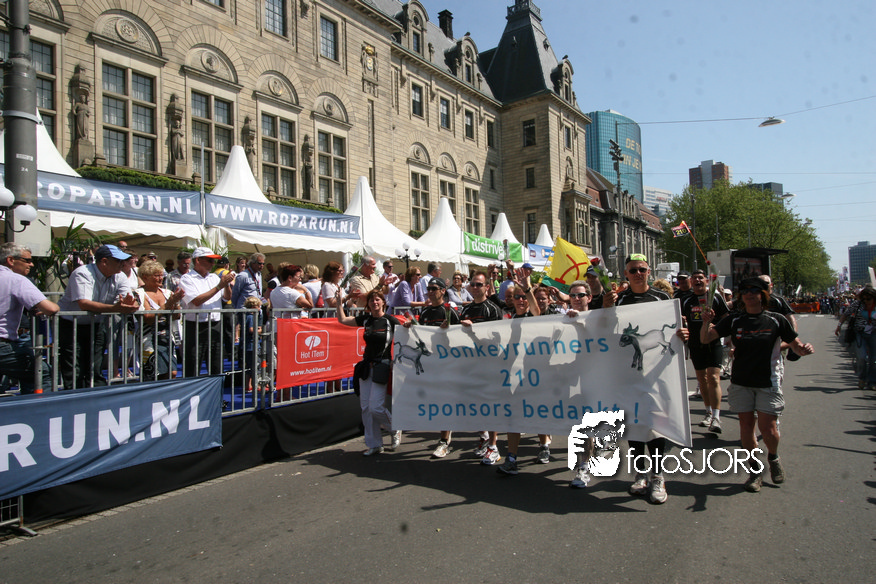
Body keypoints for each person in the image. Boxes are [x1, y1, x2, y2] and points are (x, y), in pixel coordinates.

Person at [701, 277, 814, 492]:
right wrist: (706, 321)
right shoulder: (734, 320)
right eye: (745, 291)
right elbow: (706, 338)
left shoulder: (776, 320)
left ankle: (773, 457)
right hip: (741, 382)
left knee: (768, 429)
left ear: (763, 294)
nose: (749, 294)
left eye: (754, 290)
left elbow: (795, 345)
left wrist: (804, 349)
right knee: (746, 427)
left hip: (767, 382)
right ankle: (755, 470)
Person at [603, 253, 672, 504]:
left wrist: (682, 333)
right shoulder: (619, 299)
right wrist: (605, 307)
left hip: (655, 373)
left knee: (654, 424)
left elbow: (672, 328)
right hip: (627, 372)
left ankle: (658, 476)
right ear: (626, 274)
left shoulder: (662, 298)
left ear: (649, 272)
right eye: (633, 270)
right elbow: (605, 329)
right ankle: (640, 473)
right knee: (633, 423)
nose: (638, 274)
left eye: (642, 269)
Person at [57, 244, 139, 389]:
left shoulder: (120, 276)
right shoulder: (82, 273)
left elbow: (128, 299)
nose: (122, 264)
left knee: (96, 364)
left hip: (96, 323)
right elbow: (84, 304)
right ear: (104, 261)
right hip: (71, 325)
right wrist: (115, 308)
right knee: (74, 366)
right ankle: (74, 395)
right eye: (118, 260)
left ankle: (95, 394)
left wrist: (131, 304)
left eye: (123, 260)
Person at [498, 276, 552, 476]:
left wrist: (528, 288)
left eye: (524, 297)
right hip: (514, 376)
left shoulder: (534, 316)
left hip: (535, 374)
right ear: (511, 300)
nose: (521, 300)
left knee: (538, 413)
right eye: (517, 297)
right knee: (513, 417)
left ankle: (544, 445)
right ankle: (511, 458)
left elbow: (536, 310)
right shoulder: (507, 319)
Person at [336, 288, 401, 455]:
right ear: (368, 304)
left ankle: (395, 428)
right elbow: (342, 319)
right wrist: (338, 302)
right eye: (372, 300)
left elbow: (406, 337)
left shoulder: (390, 321)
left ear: (383, 302)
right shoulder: (366, 319)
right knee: (365, 408)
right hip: (366, 366)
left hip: (382, 365)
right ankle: (374, 444)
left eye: (377, 299)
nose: (374, 302)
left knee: (376, 407)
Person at [405, 277, 460, 458]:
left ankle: (444, 441)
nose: (429, 292)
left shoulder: (450, 311)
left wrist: (447, 331)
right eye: (428, 289)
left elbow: (461, 337)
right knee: (435, 401)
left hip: (447, 364)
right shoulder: (426, 311)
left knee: (445, 401)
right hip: (429, 363)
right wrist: (410, 326)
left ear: (443, 291)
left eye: (433, 288)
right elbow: (421, 336)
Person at [676, 269, 730, 433]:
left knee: (713, 377)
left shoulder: (715, 297)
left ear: (706, 280)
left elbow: (727, 318)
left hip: (713, 342)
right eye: (695, 278)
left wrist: (717, 327)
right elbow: (679, 320)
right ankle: (708, 412)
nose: (698, 280)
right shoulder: (687, 300)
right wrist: (682, 327)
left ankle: (716, 417)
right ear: (691, 282)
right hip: (695, 343)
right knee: (702, 379)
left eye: (700, 278)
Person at [0, 243, 59, 393]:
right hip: (3, 345)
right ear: (11, 260)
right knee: (41, 374)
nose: (31, 264)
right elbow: (50, 308)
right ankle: (38, 408)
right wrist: (56, 307)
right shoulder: (16, 279)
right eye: (27, 260)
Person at [459, 270, 504, 464]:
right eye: (473, 284)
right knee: (476, 405)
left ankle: (494, 447)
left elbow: (497, 338)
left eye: (479, 284)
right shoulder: (466, 310)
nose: (475, 287)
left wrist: (473, 330)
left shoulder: (492, 309)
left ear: (486, 287)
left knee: (490, 405)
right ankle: (484, 439)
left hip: (489, 364)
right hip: (471, 364)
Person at [178, 247, 235, 379]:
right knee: (193, 365)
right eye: (209, 260)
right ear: (198, 260)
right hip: (195, 326)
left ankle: (216, 391)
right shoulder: (187, 278)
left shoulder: (214, 277)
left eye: (213, 261)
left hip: (215, 325)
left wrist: (226, 284)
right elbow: (197, 301)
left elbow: (226, 298)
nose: (212, 264)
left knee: (216, 365)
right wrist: (219, 286)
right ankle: (192, 390)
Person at [562, 280, 595, 487]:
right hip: (572, 377)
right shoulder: (562, 319)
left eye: (581, 295)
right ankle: (584, 464)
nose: (576, 299)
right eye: (572, 295)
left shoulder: (598, 318)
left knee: (589, 420)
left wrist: (580, 324)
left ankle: (584, 465)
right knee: (581, 421)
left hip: (596, 376)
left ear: (589, 298)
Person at [135, 260, 184, 380]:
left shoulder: (167, 293)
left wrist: (176, 303)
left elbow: (176, 316)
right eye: (156, 275)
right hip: (148, 338)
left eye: (161, 275)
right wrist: (168, 304)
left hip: (167, 338)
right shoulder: (139, 294)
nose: (160, 278)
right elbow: (148, 318)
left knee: (172, 372)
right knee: (154, 374)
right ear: (145, 277)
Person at [836, 284, 876, 389]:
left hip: (873, 334)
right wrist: (839, 326)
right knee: (862, 357)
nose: (866, 301)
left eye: (869, 299)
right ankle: (862, 378)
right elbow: (846, 314)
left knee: (874, 360)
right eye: (864, 299)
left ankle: (872, 382)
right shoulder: (858, 304)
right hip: (860, 333)